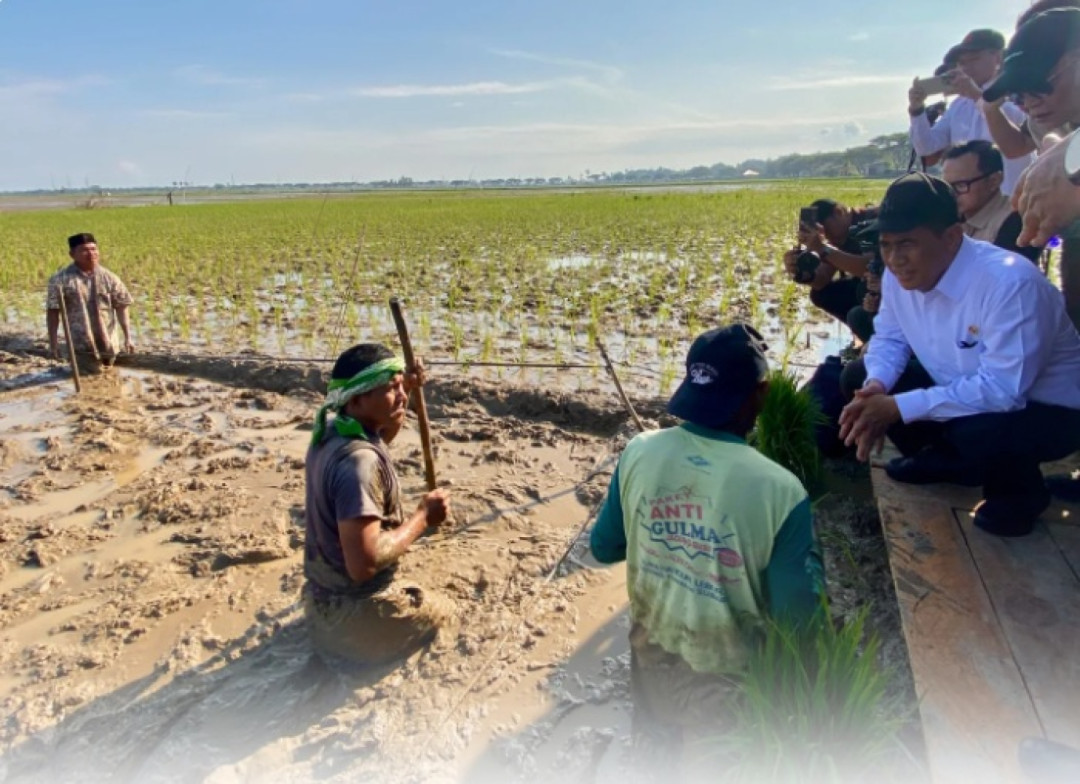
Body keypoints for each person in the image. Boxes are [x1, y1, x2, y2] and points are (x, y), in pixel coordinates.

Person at [589, 324, 823, 780]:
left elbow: (604, 547)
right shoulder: (781, 491)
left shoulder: (639, 450)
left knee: (653, 755)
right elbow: (800, 619)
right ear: (761, 393)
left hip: (650, 654)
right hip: (727, 681)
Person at [838, 174, 1080, 537]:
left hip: (1048, 409)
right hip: (964, 385)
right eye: (886, 245)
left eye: (906, 243)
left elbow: (1003, 391)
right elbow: (890, 338)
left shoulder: (1010, 284)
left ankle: (1020, 495)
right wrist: (876, 386)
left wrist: (897, 407)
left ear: (951, 237)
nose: (895, 258)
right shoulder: (898, 274)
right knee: (857, 376)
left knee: (981, 430)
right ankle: (945, 462)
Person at [304, 342, 455, 665]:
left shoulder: (335, 432)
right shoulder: (358, 465)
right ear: (357, 398)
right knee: (453, 614)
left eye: (401, 385)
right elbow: (364, 564)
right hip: (358, 617)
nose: (402, 396)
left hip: (320, 605)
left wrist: (404, 390)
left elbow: (382, 436)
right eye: (391, 389)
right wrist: (422, 518)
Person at [909, 29, 1035, 196]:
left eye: (974, 59)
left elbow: (1020, 127)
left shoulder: (1018, 91)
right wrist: (917, 110)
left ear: (997, 58)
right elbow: (927, 148)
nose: (966, 68)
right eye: (961, 63)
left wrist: (977, 96)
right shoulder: (958, 105)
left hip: (1014, 198)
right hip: (971, 204)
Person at [783, 199, 879, 342]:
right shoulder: (838, 238)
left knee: (862, 291)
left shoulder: (870, 221)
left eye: (826, 229)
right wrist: (801, 272)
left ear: (839, 212)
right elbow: (821, 280)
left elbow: (870, 268)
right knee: (821, 294)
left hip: (887, 290)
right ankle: (865, 334)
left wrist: (823, 249)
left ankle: (873, 335)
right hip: (870, 294)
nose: (826, 236)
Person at [46, 233, 134, 375]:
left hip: (108, 341)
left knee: (110, 375)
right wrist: (53, 343)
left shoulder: (110, 278)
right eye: (84, 250)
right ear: (72, 254)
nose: (91, 253)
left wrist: (128, 337)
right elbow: (53, 313)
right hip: (80, 343)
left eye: (94, 249)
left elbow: (122, 307)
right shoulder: (60, 280)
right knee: (90, 376)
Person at [940, 140, 1041, 262]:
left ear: (994, 181)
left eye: (961, 185)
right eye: (946, 186)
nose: (952, 193)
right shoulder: (951, 219)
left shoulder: (1015, 222)